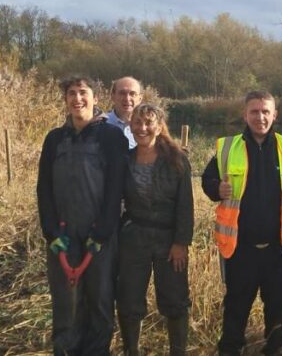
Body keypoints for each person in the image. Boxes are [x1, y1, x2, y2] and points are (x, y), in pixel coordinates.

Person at [201, 91, 282, 356]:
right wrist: (216, 189)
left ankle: (277, 347)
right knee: (236, 303)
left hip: (279, 246)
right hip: (240, 246)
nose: (260, 117)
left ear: (275, 115)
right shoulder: (227, 147)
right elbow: (207, 180)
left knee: (280, 304)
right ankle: (231, 348)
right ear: (245, 114)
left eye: (265, 111)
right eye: (254, 112)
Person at [37, 76, 128, 355]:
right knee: (66, 303)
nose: (78, 99)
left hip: (99, 234)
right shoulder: (54, 138)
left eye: (83, 93)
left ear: (95, 98)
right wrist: (51, 231)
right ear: (65, 100)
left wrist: (102, 231)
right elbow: (44, 188)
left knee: (100, 300)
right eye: (72, 94)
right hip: (63, 235)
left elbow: (116, 188)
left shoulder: (111, 136)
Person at [116, 104, 194, 356]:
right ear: (130, 125)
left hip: (168, 239)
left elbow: (185, 206)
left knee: (175, 301)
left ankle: (178, 352)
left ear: (159, 127)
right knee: (129, 300)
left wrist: (181, 243)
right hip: (134, 237)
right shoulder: (125, 160)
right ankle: (131, 350)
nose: (142, 128)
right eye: (137, 123)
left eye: (149, 123)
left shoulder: (177, 160)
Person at [105, 76, 143, 148]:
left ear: (140, 98)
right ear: (112, 96)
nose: (127, 98)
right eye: (122, 93)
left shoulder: (146, 129)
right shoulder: (100, 124)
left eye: (132, 94)